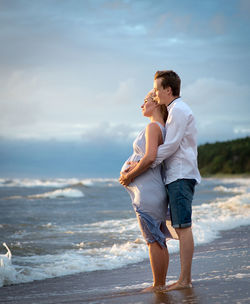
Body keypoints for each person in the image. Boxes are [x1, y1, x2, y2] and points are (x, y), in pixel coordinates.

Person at [120, 70, 201, 291]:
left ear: (168, 89)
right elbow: (164, 148)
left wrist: (135, 169)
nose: (155, 95)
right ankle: (175, 281)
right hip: (174, 177)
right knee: (172, 230)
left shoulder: (178, 111)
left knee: (180, 229)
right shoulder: (173, 112)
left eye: (156, 90)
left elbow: (169, 147)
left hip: (180, 175)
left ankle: (183, 280)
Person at [119, 89, 177, 293]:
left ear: (156, 103)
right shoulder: (160, 128)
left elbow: (150, 157)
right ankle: (160, 283)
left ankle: (158, 285)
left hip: (149, 193)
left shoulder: (153, 127)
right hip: (153, 190)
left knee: (153, 240)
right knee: (158, 239)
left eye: (144, 101)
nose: (141, 105)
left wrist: (128, 175)